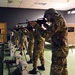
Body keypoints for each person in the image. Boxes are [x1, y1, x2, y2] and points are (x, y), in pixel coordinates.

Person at [44, 8, 69, 75]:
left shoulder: (58, 20)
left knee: (55, 71)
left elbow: (46, 35)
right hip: (62, 48)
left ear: (51, 15)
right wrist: (47, 27)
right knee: (63, 68)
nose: (47, 19)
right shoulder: (59, 19)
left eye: (47, 17)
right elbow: (55, 31)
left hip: (59, 50)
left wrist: (37, 27)